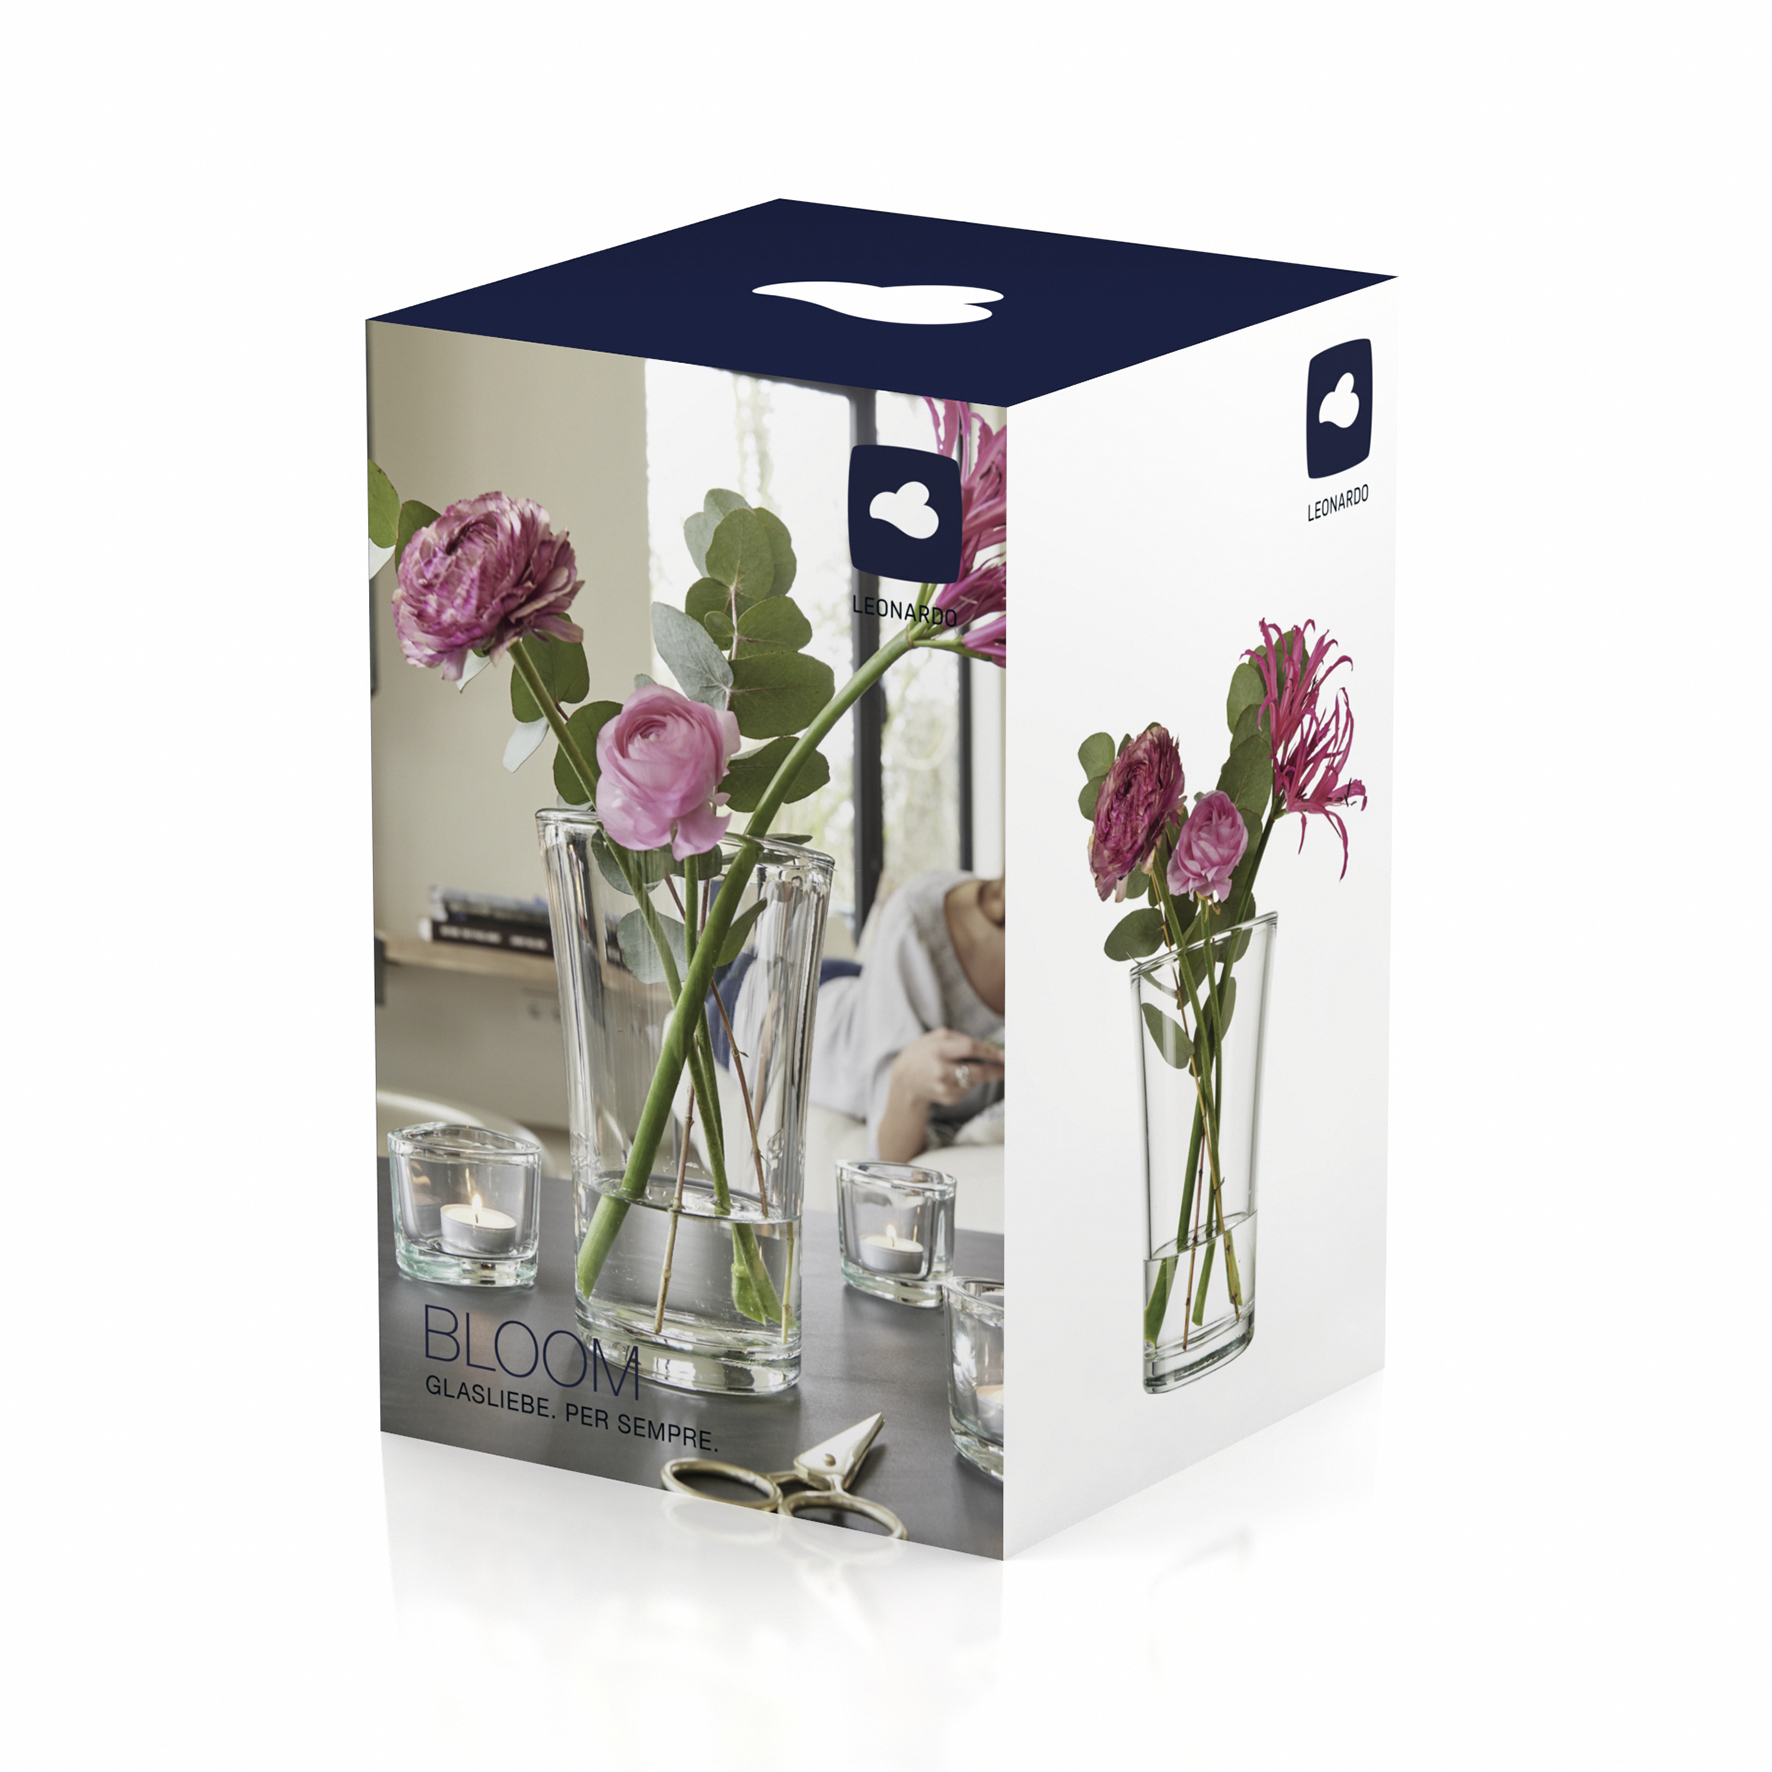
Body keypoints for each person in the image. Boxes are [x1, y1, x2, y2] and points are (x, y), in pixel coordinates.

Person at [710, 870, 1006, 1162]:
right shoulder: (923, 913)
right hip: (779, 1007)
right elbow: (888, 1158)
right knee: (704, 980)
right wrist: (907, 1081)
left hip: (851, 987)